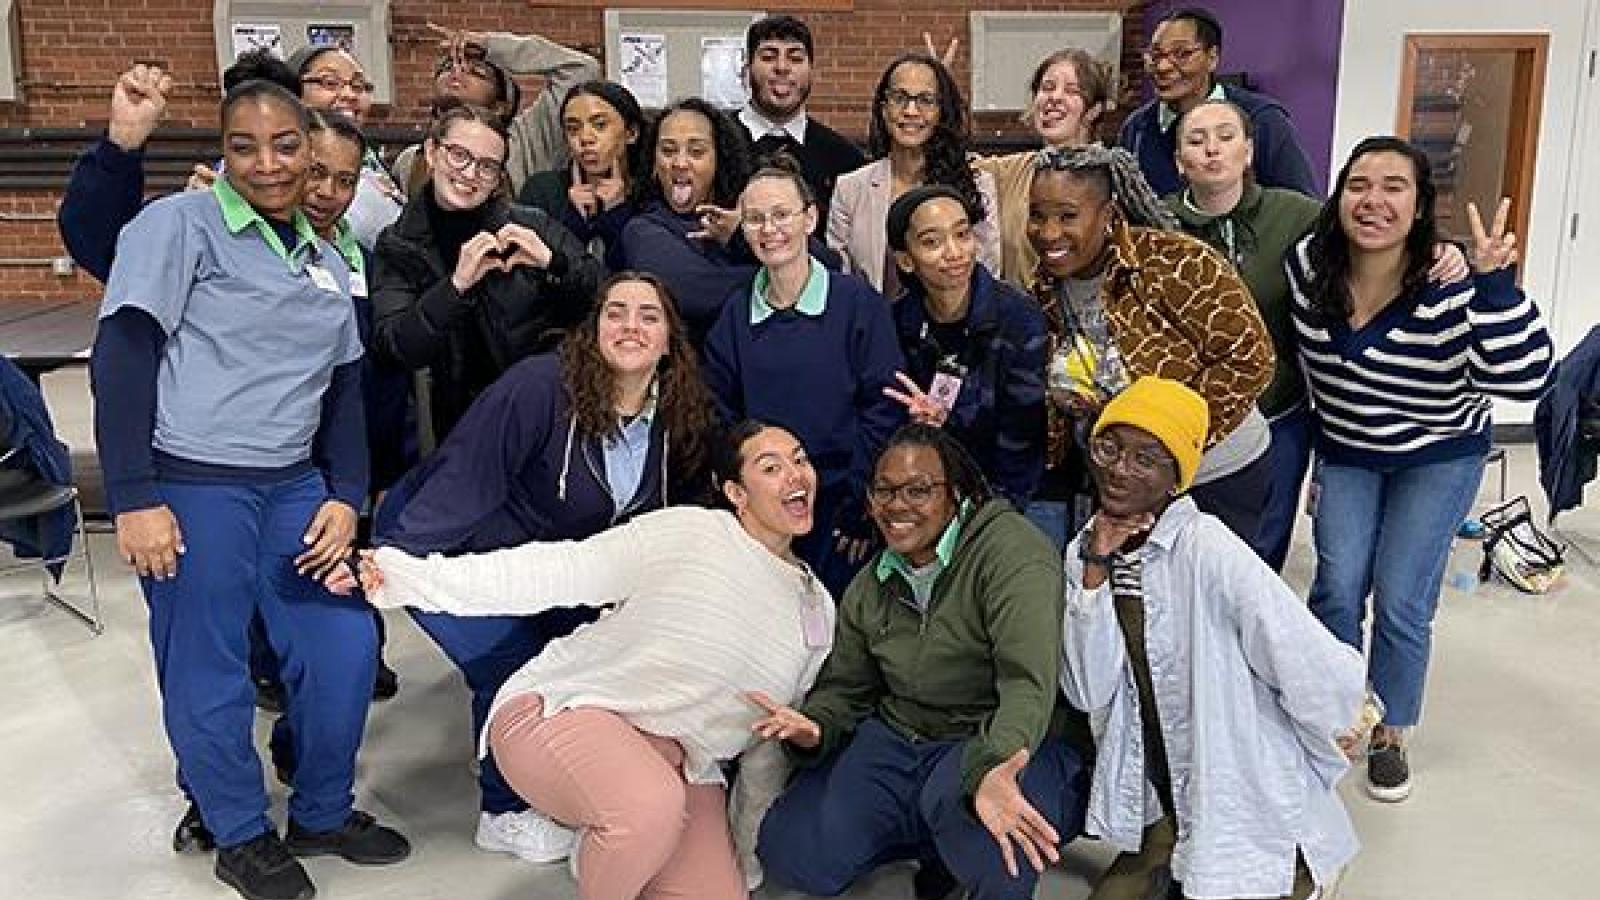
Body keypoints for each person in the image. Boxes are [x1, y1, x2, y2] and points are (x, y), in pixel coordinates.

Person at [92, 79, 408, 900]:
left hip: (295, 486)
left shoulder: (330, 253)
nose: (267, 164)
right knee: (209, 665)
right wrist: (131, 494)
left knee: (343, 644)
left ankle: (322, 810)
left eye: (285, 145)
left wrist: (347, 493)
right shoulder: (178, 225)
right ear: (223, 150)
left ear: (312, 150)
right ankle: (236, 831)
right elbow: (124, 353)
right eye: (244, 146)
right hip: (195, 483)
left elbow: (343, 388)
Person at [339, 421, 835, 900]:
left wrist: (742, 861)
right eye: (771, 467)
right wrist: (406, 576)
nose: (795, 475)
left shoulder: (817, 608)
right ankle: (615, 832)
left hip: (686, 768)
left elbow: (764, 755)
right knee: (646, 809)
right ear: (735, 492)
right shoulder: (691, 531)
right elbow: (555, 571)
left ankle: (619, 839)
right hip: (569, 711)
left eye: (800, 460)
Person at [373, 272, 715, 864]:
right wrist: (393, 562)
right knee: (512, 665)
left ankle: (548, 779)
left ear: (669, 341)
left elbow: (688, 495)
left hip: (547, 567)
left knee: (580, 658)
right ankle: (501, 812)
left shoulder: (678, 411)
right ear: (593, 329)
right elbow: (466, 478)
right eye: (616, 312)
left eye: (648, 315)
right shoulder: (538, 388)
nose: (630, 325)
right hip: (450, 541)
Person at [1287, 137, 1553, 802]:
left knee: (1403, 598)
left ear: (1419, 205)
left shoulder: (1449, 284)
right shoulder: (1307, 267)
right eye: (1358, 184)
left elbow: (1525, 376)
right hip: (1348, 451)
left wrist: (1495, 287)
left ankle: (1392, 732)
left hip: (1437, 457)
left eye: (1394, 186)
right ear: (1339, 195)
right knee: (1338, 588)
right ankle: (1338, 713)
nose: (1373, 200)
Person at [1054, 376, 1365, 900]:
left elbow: (1297, 650)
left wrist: (1340, 719)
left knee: (1238, 868)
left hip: (1233, 773)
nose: (1118, 469)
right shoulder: (1087, 547)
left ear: (1178, 475)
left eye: (1146, 458)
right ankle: (1165, 845)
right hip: (1157, 776)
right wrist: (1094, 574)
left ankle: (1302, 872)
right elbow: (1087, 690)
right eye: (1109, 447)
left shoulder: (1211, 551)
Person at [754, 425, 1087, 900]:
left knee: (998, 845)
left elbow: (1026, 685)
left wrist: (994, 769)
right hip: (902, 738)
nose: (898, 505)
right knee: (791, 850)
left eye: (919, 490)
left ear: (957, 494)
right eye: (884, 491)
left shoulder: (1011, 552)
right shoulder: (871, 583)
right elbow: (847, 689)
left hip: (991, 737)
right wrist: (817, 727)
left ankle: (959, 843)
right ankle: (937, 842)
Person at [1024, 144, 1273, 552]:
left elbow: (1251, 359)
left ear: (1107, 215)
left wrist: (1165, 440)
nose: (1049, 232)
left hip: (1217, 473)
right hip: (1125, 479)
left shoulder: (1176, 262)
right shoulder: (1043, 288)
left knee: (1205, 605)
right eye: (1037, 215)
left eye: (1068, 216)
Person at [703, 161, 905, 596]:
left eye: (781, 214)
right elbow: (723, 421)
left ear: (810, 218)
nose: (768, 229)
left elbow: (885, 409)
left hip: (844, 517)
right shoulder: (735, 317)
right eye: (755, 219)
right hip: (767, 519)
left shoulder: (857, 305)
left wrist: (862, 503)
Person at [370, 100, 603, 449]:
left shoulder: (530, 223)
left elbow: (605, 296)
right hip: (455, 423)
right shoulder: (399, 243)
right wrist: (454, 287)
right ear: (432, 153)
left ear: (497, 178)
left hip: (539, 407)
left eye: (487, 166)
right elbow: (395, 346)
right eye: (458, 155)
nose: (470, 173)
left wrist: (553, 263)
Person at [1165, 99, 1320, 569]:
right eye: (1196, 140)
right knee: (1184, 553)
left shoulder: (1297, 215)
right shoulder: (1156, 223)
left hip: (1279, 415)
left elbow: (1375, 240)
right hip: (1190, 424)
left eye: (1226, 137)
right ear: (1179, 162)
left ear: (1249, 151)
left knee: (1258, 558)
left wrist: (1442, 250)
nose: (1212, 149)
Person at [884, 185, 1048, 508]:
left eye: (962, 235)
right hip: (925, 490)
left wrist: (992, 517)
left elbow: (1022, 440)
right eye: (932, 242)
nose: (954, 252)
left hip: (1009, 494)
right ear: (905, 260)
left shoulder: (1018, 318)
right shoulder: (895, 323)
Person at [829, 53, 1000, 296]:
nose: (911, 111)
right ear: (883, 108)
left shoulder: (977, 183)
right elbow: (841, 282)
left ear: (942, 110)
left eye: (926, 100)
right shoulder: (850, 189)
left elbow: (988, 273)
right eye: (899, 98)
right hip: (872, 328)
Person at [1118, 6, 1318, 198]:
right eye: (1155, 55)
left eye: (1182, 54)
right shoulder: (1136, 128)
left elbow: (1303, 209)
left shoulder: (1263, 119)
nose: (1162, 67)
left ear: (1212, 57)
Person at [617, 98, 764, 343]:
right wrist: (781, 274)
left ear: (720, 158)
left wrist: (743, 234)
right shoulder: (642, 230)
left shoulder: (747, 214)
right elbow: (693, 292)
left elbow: (824, 264)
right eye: (668, 151)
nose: (680, 163)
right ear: (654, 163)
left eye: (696, 152)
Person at [392, 23, 601, 196]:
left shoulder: (528, 141)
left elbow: (581, 68)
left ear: (502, 106)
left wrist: (490, 46)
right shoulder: (409, 162)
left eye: (476, 72)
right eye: (447, 67)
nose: (457, 71)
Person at [975, 48, 1114, 287]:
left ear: (1093, 110)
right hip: (1021, 318)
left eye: (1072, 90)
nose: (1054, 97)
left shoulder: (1114, 175)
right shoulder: (1009, 171)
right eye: (1047, 88)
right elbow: (949, 163)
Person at [736, 15, 866, 219]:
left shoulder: (846, 160)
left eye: (795, 58)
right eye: (769, 57)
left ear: (811, 70)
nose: (782, 67)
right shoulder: (713, 143)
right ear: (747, 68)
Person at [518, 80, 648, 273]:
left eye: (600, 125)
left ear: (631, 133)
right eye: (573, 128)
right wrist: (575, 220)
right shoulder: (542, 189)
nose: (585, 138)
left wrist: (617, 213)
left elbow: (642, 274)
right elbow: (534, 276)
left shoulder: (650, 194)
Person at [286, 44, 405, 249]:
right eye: (330, 82)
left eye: (358, 86)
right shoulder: (271, 165)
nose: (350, 94)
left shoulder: (369, 159)